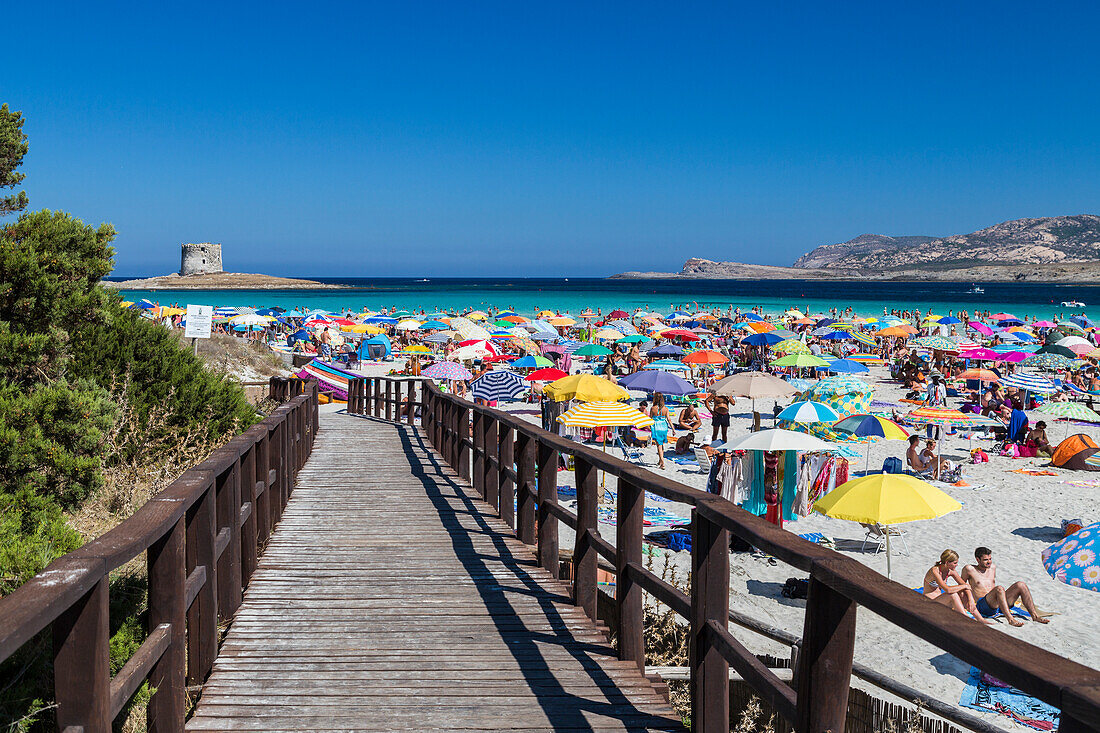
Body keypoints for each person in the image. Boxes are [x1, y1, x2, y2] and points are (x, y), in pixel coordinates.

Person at [961, 547, 1047, 626]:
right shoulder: (969, 569)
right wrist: (967, 601)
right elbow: (962, 586)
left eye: (990, 559)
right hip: (984, 606)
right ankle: (1010, 619)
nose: (989, 562)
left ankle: (1035, 616)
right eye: (985, 560)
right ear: (977, 559)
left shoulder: (992, 567)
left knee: (1021, 585)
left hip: (999, 604)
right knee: (999, 588)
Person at [923, 550, 991, 624]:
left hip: (941, 601)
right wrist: (964, 586)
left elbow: (966, 586)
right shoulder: (935, 571)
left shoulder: (950, 571)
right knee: (953, 594)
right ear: (947, 562)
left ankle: (980, 618)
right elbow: (948, 590)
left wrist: (971, 599)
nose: (957, 565)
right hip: (929, 602)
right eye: (955, 563)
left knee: (962, 592)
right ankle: (966, 618)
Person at [648, 392, 675, 470]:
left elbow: (650, 419)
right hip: (664, 427)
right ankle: (660, 460)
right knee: (661, 444)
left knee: (659, 445)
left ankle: (662, 463)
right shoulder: (665, 409)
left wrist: (649, 427)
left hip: (656, 426)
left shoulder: (653, 408)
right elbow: (669, 419)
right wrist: (673, 429)